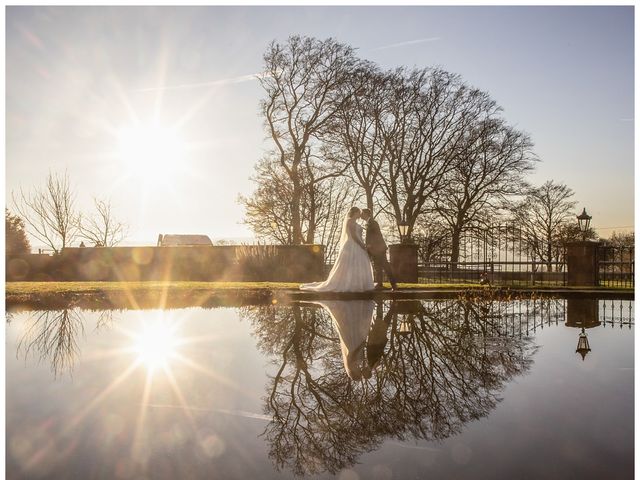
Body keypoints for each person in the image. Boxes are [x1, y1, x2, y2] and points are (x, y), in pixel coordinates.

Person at [300, 207, 374, 292]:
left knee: (357, 265)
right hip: (352, 245)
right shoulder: (350, 221)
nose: (359, 214)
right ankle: (350, 284)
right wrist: (362, 245)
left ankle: (359, 284)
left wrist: (363, 244)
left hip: (358, 245)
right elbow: (353, 236)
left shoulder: (355, 222)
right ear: (355, 213)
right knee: (349, 265)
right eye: (358, 212)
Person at [360, 208, 397, 290]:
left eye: (362, 213)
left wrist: (370, 244)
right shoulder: (369, 222)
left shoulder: (373, 223)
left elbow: (377, 235)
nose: (361, 215)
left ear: (366, 214)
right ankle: (380, 284)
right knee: (378, 267)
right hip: (375, 250)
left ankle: (394, 285)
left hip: (379, 249)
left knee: (386, 267)